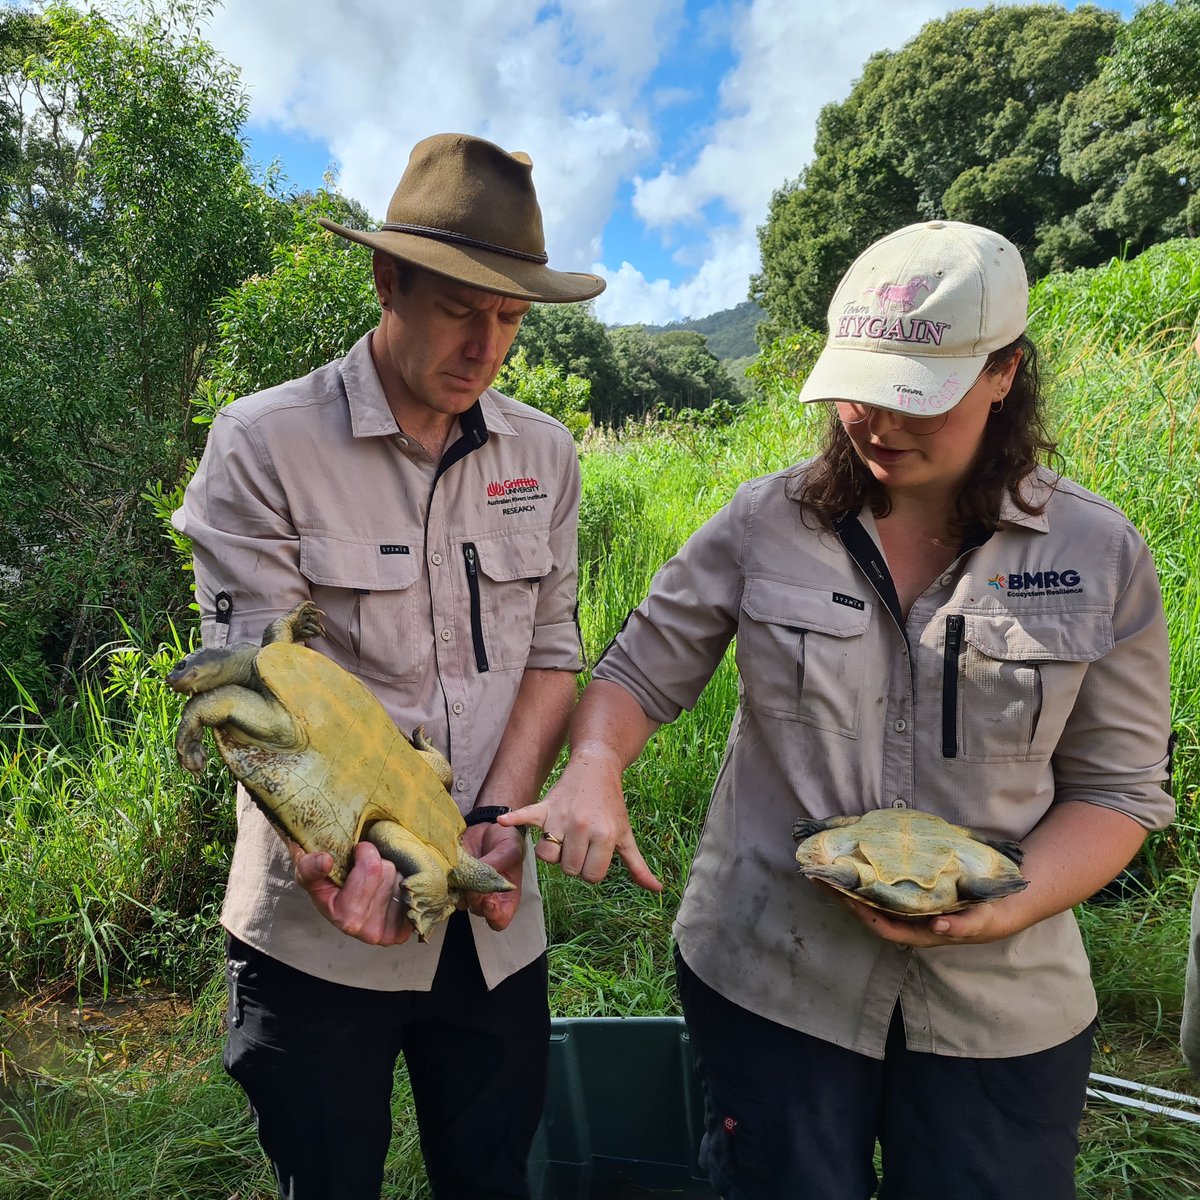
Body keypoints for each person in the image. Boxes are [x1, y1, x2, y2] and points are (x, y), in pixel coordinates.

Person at [501, 220, 1174, 1199]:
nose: (877, 422)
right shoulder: (764, 522)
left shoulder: (1097, 555)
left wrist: (1004, 906)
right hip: (773, 975)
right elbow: (638, 673)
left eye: (917, 397)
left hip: (1000, 1006)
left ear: (1003, 373)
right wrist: (594, 767)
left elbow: (1117, 793)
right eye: (859, 388)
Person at [173, 132, 604, 1200]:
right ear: (387, 279)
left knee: (491, 1172)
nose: (488, 344)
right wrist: (344, 852)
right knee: (325, 1177)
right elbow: (251, 684)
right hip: (321, 922)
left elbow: (553, 653)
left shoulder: (542, 455)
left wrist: (497, 817)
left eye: (511, 317)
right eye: (462, 306)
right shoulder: (264, 442)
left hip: (491, 917)